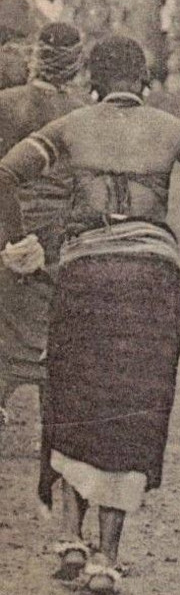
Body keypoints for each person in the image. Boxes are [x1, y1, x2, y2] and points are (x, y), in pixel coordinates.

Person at [0, 35, 180, 595]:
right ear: (146, 80)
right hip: (152, 276)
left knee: (72, 394)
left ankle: (68, 537)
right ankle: (107, 558)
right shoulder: (172, 130)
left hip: (85, 272)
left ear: (91, 81)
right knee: (134, 408)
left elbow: (6, 175)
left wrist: (22, 245)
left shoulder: (71, 127)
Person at [0, 23, 87, 427]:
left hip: (9, 224)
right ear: (76, 63)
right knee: (54, 334)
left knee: (7, 329)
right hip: (62, 231)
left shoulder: (8, 103)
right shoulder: (85, 111)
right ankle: (52, 433)